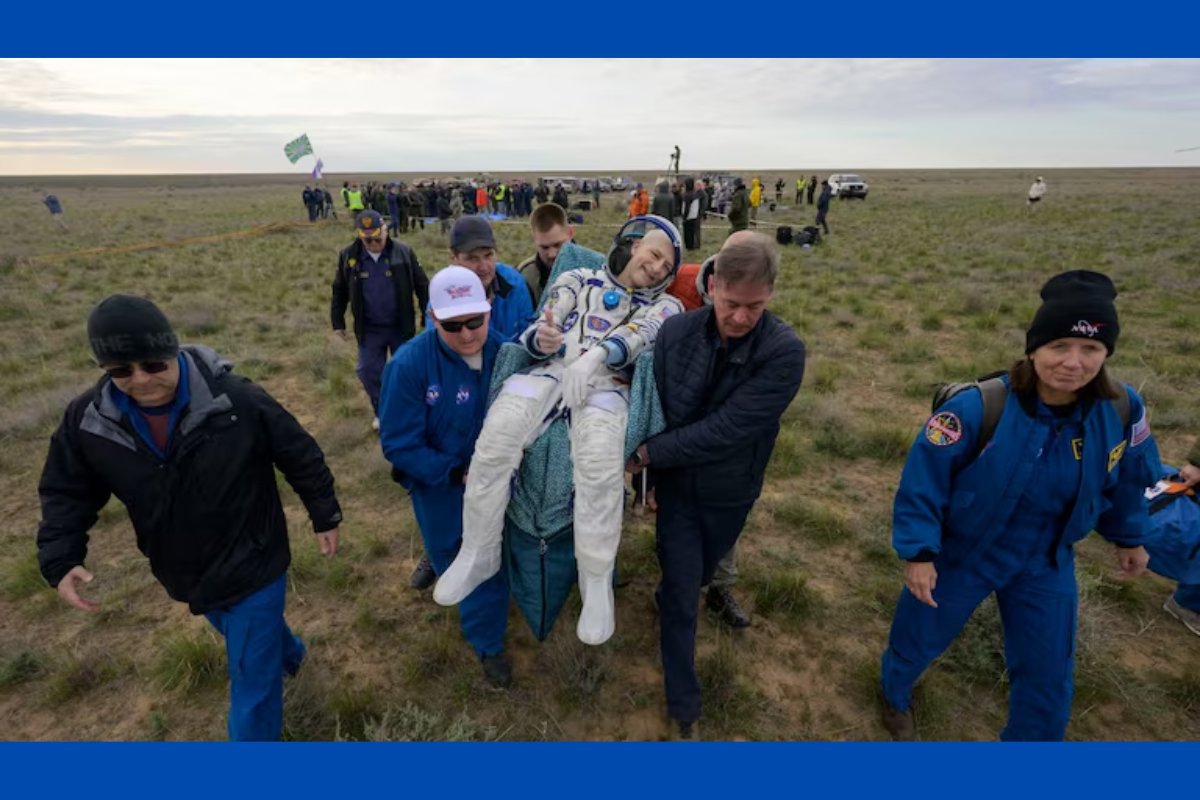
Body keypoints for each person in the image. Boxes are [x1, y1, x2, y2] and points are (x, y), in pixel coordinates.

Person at [37, 295, 342, 740]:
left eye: (153, 365)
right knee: (244, 632)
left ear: (174, 350)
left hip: (254, 557)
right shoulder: (88, 420)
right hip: (183, 569)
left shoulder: (235, 400)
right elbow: (67, 488)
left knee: (252, 688)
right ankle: (293, 655)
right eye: (120, 371)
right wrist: (60, 556)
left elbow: (297, 451)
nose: (140, 380)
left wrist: (324, 512)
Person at [879, 270, 1158, 742]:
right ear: (1034, 348)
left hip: (1047, 561)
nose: (1073, 363)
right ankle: (893, 693)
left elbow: (1131, 476)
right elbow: (923, 481)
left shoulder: (1122, 410)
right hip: (962, 553)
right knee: (919, 635)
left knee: (1049, 672)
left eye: (1090, 350)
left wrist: (1130, 535)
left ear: (1107, 352)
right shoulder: (977, 408)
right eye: (1059, 347)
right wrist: (919, 553)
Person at [433, 216, 685, 646]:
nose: (660, 268)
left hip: (608, 386)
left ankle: (596, 580)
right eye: (655, 254)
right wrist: (543, 340)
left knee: (599, 466)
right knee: (497, 437)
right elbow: (545, 320)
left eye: (668, 266)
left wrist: (596, 358)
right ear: (634, 242)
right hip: (551, 373)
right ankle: (479, 550)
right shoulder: (577, 277)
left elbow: (644, 335)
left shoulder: (666, 307)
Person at [630, 232, 806, 739]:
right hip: (681, 492)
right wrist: (654, 482)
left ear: (770, 295)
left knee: (702, 574)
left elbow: (729, 430)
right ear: (712, 286)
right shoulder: (674, 335)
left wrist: (649, 456)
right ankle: (683, 703)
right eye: (732, 304)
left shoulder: (784, 352)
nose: (742, 317)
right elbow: (659, 413)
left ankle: (674, 595)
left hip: (732, 492)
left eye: (755, 306)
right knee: (684, 591)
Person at [378, 267, 514, 688]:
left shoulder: (504, 353)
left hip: (499, 480)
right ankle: (488, 643)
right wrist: (456, 471)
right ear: (433, 317)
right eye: (453, 325)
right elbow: (399, 443)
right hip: (442, 487)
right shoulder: (408, 365)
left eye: (476, 320)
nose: (468, 334)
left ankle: (496, 610)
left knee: (499, 554)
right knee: (464, 557)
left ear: (489, 311)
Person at [331, 210, 430, 431]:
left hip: (400, 326)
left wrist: (428, 315)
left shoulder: (403, 253)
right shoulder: (349, 256)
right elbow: (339, 291)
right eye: (368, 239)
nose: (373, 243)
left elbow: (422, 286)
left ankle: (411, 410)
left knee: (407, 371)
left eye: (377, 237)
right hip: (369, 328)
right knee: (367, 371)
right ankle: (381, 410)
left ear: (385, 230)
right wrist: (338, 324)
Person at [445, 215, 534, 341]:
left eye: (488, 255)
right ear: (453, 258)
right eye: (472, 258)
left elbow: (527, 335)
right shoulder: (442, 294)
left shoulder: (514, 283)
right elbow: (440, 352)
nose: (484, 267)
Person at [517, 201, 574, 307]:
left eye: (558, 245)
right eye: (544, 247)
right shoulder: (525, 275)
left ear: (570, 233)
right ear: (534, 239)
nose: (552, 254)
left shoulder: (595, 267)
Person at [681, 177, 705, 252]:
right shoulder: (695, 194)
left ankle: (689, 247)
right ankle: (692, 246)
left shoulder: (687, 195)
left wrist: (684, 217)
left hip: (688, 217)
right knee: (692, 232)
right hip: (694, 215)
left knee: (687, 233)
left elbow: (686, 207)